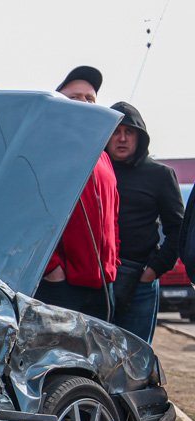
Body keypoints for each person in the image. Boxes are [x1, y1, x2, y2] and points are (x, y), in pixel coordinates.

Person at [35, 66, 118, 321]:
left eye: (90, 98)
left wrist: (113, 263)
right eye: (74, 97)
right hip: (62, 286)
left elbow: (113, 215)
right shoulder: (44, 149)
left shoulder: (103, 156)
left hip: (103, 285)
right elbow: (28, 211)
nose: (84, 102)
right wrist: (52, 269)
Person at [104, 101, 184, 343]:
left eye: (129, 132)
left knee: (135, 356)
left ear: (140, 137)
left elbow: (178, 229)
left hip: (140, 280)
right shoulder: (92, 171)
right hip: (96, 280)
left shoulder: (160, 175)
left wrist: (154, 270)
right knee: (92, 355)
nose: (122, 138)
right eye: (116, 131)